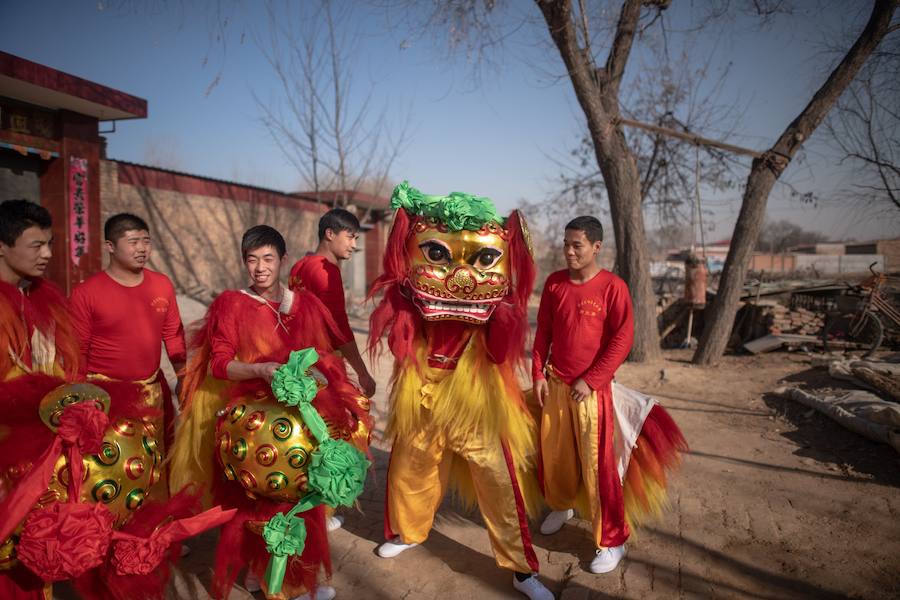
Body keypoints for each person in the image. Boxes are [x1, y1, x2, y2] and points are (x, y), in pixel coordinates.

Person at [368, 182, 554, 600]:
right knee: (410, 467)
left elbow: (502, 351)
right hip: (424, 388)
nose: (462, 277)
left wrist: (505, 310)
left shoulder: (495, 299)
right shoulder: (411, 292)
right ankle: (408, 531)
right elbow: (401, 339)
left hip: (476, 395)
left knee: (497, 479)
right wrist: (402, 301)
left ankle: (521, 570)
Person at [169, 225, 370, 600]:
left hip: (299, 419)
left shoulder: (304, 304)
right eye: (251, 260)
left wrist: (317, 375)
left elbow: (321, 355)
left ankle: (284, 580)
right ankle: (268, 583)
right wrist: (260, 370)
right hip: (252, 423)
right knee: (255, 501)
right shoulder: (232, 303)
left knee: (298, 498)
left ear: (282, 261)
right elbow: (220, 364)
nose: (259, 268)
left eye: (267, 259)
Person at [532, 216, 633, 573]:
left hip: (591, 393)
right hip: (556, 385)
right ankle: (562, 504)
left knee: (596, 465)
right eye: (566, 244)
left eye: (577, 245)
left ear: (596, 247)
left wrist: (591, 380)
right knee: (556, 455)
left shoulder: (612, 287)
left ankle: (612, 538)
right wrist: (538, 373)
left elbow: (623, 338)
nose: (569, 251)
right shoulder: (555, 284)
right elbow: (543, 330)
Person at [69, 213, 186, 464]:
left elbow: (174, 335)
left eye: (146, 241)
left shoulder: (162, 284)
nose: (142, 248)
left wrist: (184, 378)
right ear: (110, 246)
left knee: (155, 464)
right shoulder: (86, 293)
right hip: (105, 396)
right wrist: (82, 402)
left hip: (152, 391)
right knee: (112, 467)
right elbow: (77, 351)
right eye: (133, 242)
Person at [289, 208, 377, 398]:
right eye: (350, 237)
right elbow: (338, 327)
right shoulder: (325, 271)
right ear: (329, 234)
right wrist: (362, 373)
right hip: (320, 365)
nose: (354, 245)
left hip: (296, 361)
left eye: (356, 239)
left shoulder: (300, 265)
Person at [0, 199, 79, 381]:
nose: (47, 254)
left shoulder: (45, 297)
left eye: (49, 244)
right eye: (36, 246)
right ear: (2, 246)